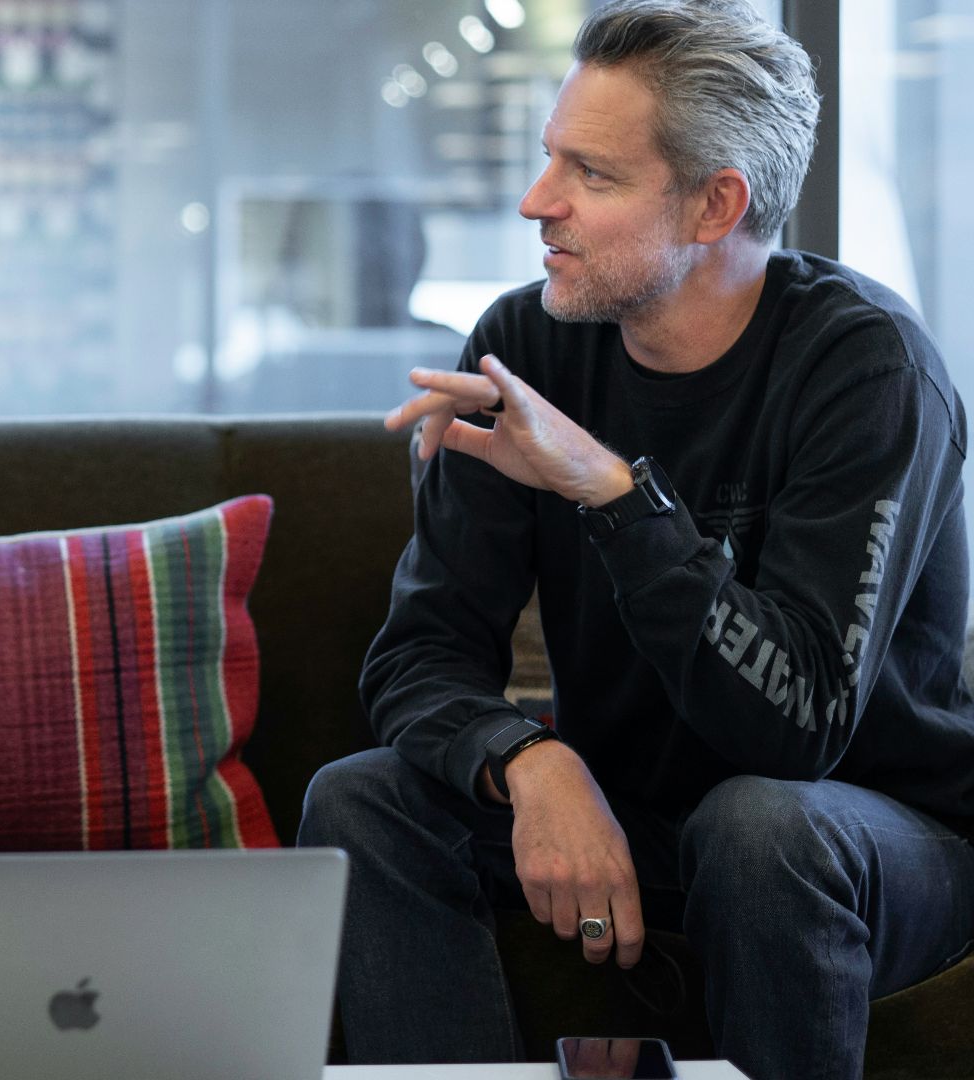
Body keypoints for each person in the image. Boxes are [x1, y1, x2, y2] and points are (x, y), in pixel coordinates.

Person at [297, 2, 974, 1078]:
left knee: (758, 827)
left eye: (592, 176)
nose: (537, 203)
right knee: (360, 798)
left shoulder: (869, 369)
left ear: (716, 205)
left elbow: (798, 728)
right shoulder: (525, 342)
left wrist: (612, 492)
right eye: (547, 158)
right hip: (638, 812)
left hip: (876, 834)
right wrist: (529, 757)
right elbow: (419, 655)